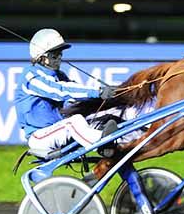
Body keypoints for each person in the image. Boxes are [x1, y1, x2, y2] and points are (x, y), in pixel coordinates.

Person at [15, 28, 118, 158]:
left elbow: (76, 94)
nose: (59, 59)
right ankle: (102, 143)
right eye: (54, 55)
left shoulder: (60, 75)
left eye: (60, 54)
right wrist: (97, 92)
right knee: (73, 122)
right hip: (40, 137)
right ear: (41, 58)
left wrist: (108, 95)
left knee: (94, 117)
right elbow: (60, 90)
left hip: (57, 131)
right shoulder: (30, 76)